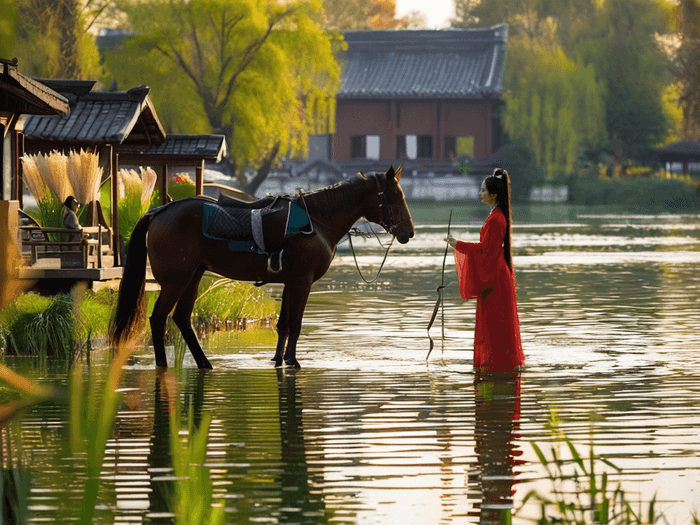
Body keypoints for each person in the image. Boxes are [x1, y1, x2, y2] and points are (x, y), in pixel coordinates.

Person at [445, 168, 524, 372]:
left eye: (483, 190)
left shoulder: (497, 219)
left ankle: (497, 367)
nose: (480, 194)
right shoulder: (496, 215)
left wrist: (458, 244)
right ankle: (497, 366)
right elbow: (486, 250)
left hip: (496, 279)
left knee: (495, 326)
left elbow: (486, 252)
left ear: (493, 194)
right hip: (496, 276)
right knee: (494, 326)